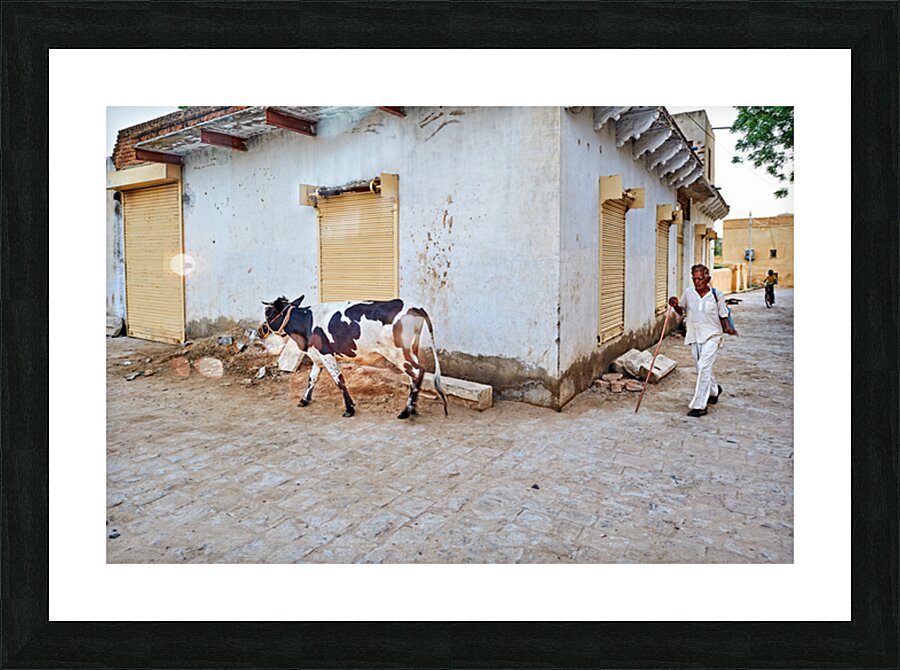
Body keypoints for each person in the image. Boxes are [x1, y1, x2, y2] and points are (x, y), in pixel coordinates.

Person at [668, 264, 738, 417]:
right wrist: (675, 305)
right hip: (694, 335)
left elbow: (723, 314)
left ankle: (700, 405)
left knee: (703, 365)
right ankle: (714, 390)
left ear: (708, 279)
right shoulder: (688, 293)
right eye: (694, 278)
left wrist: (728, 329)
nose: (697, 281)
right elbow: (682, 311)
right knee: (702, 367)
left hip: (713, 335)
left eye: (700, 278)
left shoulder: (716, 294)